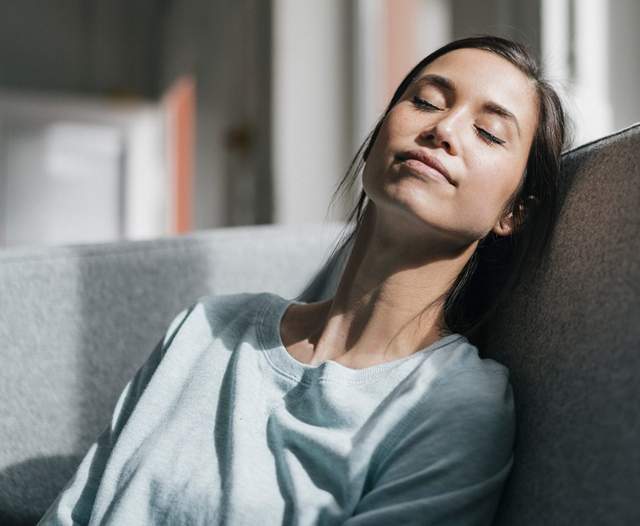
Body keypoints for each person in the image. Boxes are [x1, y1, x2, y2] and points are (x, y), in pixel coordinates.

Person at [38, 34, 571, 525]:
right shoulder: (207, 326)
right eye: (427, 101)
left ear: (513, 213)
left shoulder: (452, 402)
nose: (444, 130)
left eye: (488, 132)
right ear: (374, 142)